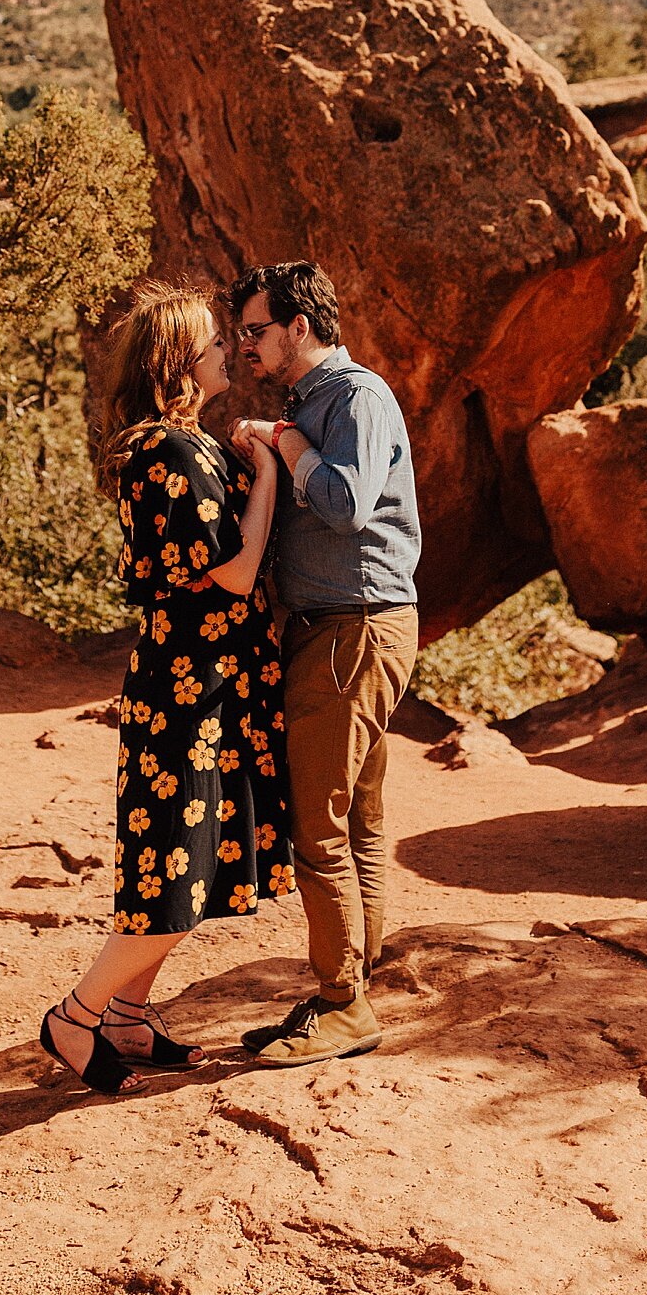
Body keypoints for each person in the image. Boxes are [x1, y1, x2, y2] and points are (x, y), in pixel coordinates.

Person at [38, 280, 296, 1097]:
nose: (228, 351)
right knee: (172, 868)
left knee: (190, 864)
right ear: (179, 360)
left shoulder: (178, 443)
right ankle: (76, 1016)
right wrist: (270, 483)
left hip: (205, 683)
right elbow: (235, 568)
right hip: (192, 693)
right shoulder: (173, 451)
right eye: (214, 343)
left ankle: (128, 1019)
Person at [227, 260, 420, 1067]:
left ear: (299, 327)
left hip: (353, 630)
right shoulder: (312, 403)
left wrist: (289, 444)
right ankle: (353, 989)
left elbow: (344, 505)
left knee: (320, 827)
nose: (245, 348)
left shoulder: (354, 398)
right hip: (341, 628)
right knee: (362, 822)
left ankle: (344, 1006)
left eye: (255, 332)